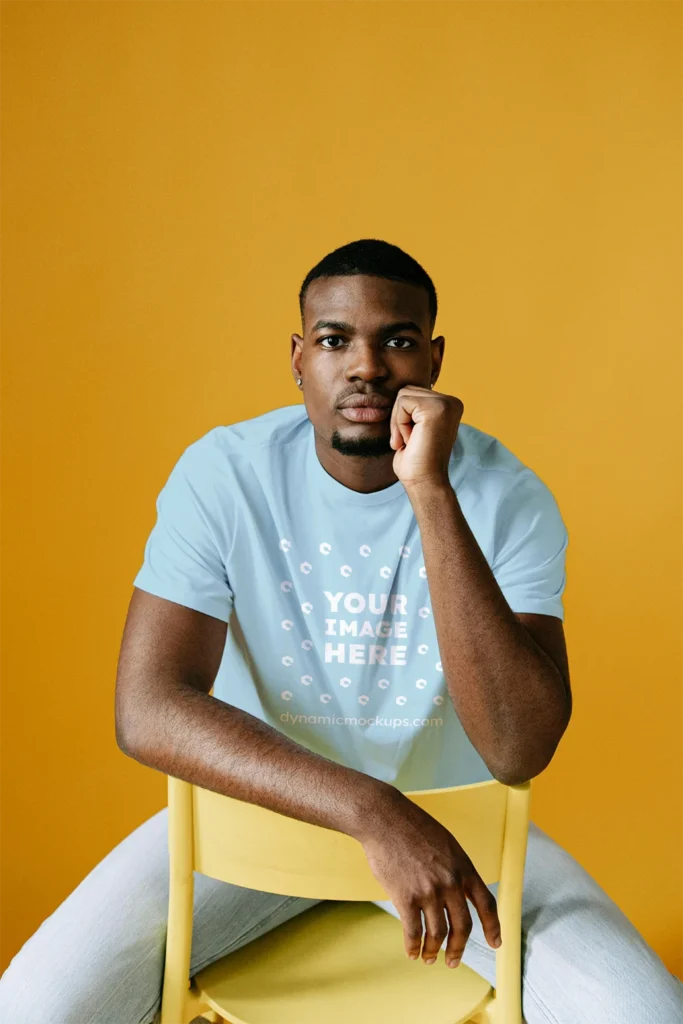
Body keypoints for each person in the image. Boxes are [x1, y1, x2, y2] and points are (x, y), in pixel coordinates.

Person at [1, 239, 680, 1024]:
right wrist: (372, 812)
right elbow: (146, 706)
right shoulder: (223, 474)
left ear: (434, 355)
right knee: (35, 1009)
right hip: (255, 828)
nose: (365, 366)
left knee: (645, 1014)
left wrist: (426, 490)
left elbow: (518, 747)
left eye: (396, 340)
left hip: (457, 841)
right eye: (333, 340)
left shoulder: (507, 496)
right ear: (298, 359)